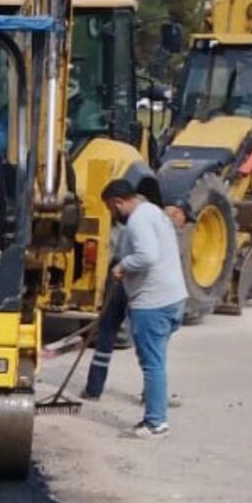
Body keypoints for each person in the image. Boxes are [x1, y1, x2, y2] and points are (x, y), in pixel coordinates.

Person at [102, 178, 189, 437]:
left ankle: (155, 422)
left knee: (151, 363)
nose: (112, 214)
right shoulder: (153, 211)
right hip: (173, 298)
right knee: (157, 361)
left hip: (153, 303)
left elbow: (147, 255)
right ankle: (156, 410)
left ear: (119, 202)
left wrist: (122, 266)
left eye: (110, 208)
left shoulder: (138, 220)